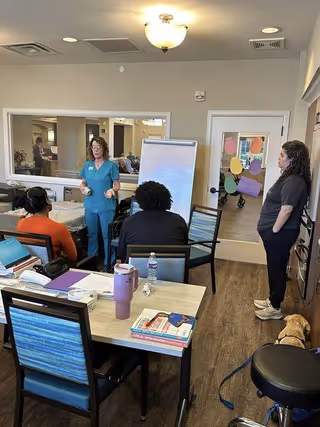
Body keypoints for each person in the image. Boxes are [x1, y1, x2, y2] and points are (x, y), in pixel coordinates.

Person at [254, 140, 311, 320]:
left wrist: (274, 230)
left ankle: (275, 308)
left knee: (277, 269)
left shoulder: (294, 181)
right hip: (276, 234)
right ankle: (273, 300)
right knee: (275, 267)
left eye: (282, 155)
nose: (278, 158)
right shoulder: (290, 177)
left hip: (280, 234)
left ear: (292, 159)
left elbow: (287, 209)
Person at [118, 181, 188, 260]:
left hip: (138, 271)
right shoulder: (179, 221)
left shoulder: (129, 222)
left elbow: (121, 253)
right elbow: (184, 251)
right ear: (167, 199)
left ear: (139, 200)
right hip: (173, 271)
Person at [80, 136, 120, 269]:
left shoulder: (111, 166)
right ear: (91, 149)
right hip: (90, 206)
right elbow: (83, 183)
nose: (96, 150)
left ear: (104, 149)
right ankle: (92, 261)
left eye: (99, 147)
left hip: (106, 206)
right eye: (94, 147)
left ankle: (109, 263)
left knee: (107, 236)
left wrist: (111, 190)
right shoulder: (87, 165)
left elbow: (117, 185)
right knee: (91, 235)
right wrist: (83, 189)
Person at [16, 187, 77, 262]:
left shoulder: (21, 223)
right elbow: (72, 257)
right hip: (55, 270)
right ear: (46, 201)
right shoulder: (59, 228)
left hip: (33, 266)